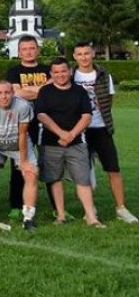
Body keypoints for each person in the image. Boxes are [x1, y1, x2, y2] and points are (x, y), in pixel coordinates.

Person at [72, 42, 137, 223]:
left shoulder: (103, 75)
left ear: (93, 54)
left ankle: (121, 208)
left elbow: (109, 101)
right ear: (75, 56)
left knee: (113, 169)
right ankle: (89, 209)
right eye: (80, 54)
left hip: (101, 128)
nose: (84, 57)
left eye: (87, 53)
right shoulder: (71, 75)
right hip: (80, 130)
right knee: (84, 172)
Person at [35, 58, 104, 228]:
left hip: (77, 143)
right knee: (55, 179)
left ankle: (91, 217)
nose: (60, 75)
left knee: (83, 179)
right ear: (51, 74)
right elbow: (41, 115)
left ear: (70, 72)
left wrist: (72, 134)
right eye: (56, 72)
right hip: (50, 143)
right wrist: (61, 133)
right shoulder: (45, 91)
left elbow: (87, 115)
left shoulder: (79, 91)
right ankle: (60, 215)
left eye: (63, 71)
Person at [0, 81, 39, 231]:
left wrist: (24, 161)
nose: (4, 96)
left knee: (31, 173)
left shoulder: (23, 106)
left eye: (7, 92)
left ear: (13, 92)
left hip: (19, 145)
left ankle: (28, 218)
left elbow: (22, 134)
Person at [5, 35, 51, 220]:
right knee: (19, 164)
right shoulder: (13, 71)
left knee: (49, 163)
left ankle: (56, 205)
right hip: (22, 122)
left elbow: (52, 90)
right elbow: (17, 93)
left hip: (47, 121)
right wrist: (42, 90)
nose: (28, 52)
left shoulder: (47, 69)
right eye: (24, 49)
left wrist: (30, 92)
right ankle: (16, 204)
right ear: (19, 52)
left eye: (32, 48)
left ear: (38, 50)